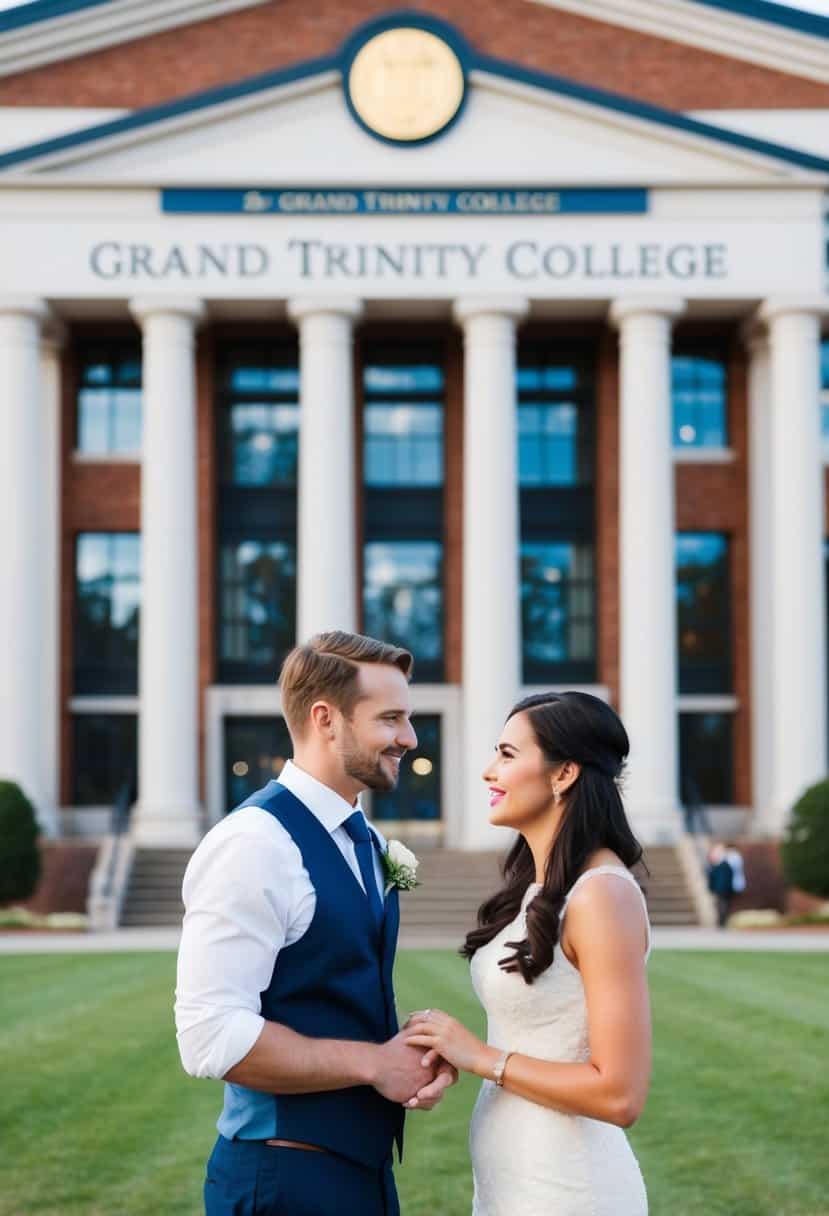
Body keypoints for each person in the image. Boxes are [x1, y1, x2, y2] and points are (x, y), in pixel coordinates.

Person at [175, 631, 457, 1216]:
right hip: (283, 1181)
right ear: (326, 719)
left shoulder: (367, 839)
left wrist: (410, 1050)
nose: (409, 738)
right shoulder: (254, 843)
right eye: (391, 719)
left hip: (363, 1175)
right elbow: (210, 1037)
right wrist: (374, 1064)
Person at [404, 691, 652, 1216]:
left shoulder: (602, 895)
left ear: (564, 775)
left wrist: (481, 1058)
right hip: (511, 1184)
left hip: (569, 1191)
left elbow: (620, 1094)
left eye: (508, 754)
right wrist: (450, 1054)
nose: (489, 772)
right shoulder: (537, 889)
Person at [707, 842, 736, 927]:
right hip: (721, 888)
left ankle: (722, 921)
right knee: (721, 905)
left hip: (722, 889)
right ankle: (722, 921)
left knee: (722, 905)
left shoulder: (723, 865)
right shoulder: (720, 865)